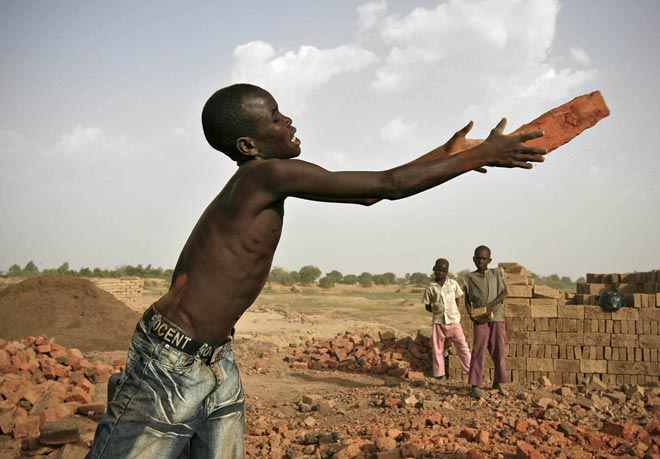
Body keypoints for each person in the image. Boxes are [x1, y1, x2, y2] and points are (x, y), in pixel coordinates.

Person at [87, 83, 545, 458]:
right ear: (250, 145)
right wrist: (482, 154)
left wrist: (446, 154)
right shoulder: (264, 175)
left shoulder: (268, 179)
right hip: (170, 360)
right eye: (276, 117)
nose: (289, 121)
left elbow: (370, 190)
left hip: (214, 357)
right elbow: (387, 187)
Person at [463, 245, 509, 400]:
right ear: (473, 259)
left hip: (497, 317)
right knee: (478, 351)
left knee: (499, 351)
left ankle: (498, 383)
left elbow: (505, 292)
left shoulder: (496, 274)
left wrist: (491, 305)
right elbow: (467, 300)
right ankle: (475, 386)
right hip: (481, 319)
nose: (480, 261)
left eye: (484, 258)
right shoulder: (470, 278)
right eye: (478, 258)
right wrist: (471, 314)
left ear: (490, 260)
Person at [422, 258, 471, 381]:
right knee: (438, 349)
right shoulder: (430, 288)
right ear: (434, 270)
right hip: (439, 322)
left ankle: (470, 371)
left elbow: (458, 300)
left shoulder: (453, 284)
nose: (440, 273)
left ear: (447, 271)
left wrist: (453, 313)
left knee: (462, 346)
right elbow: (427, 306)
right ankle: (440, 374)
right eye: (438, 270)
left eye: (443, 271)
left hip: (454, 322)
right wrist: (437, 312)